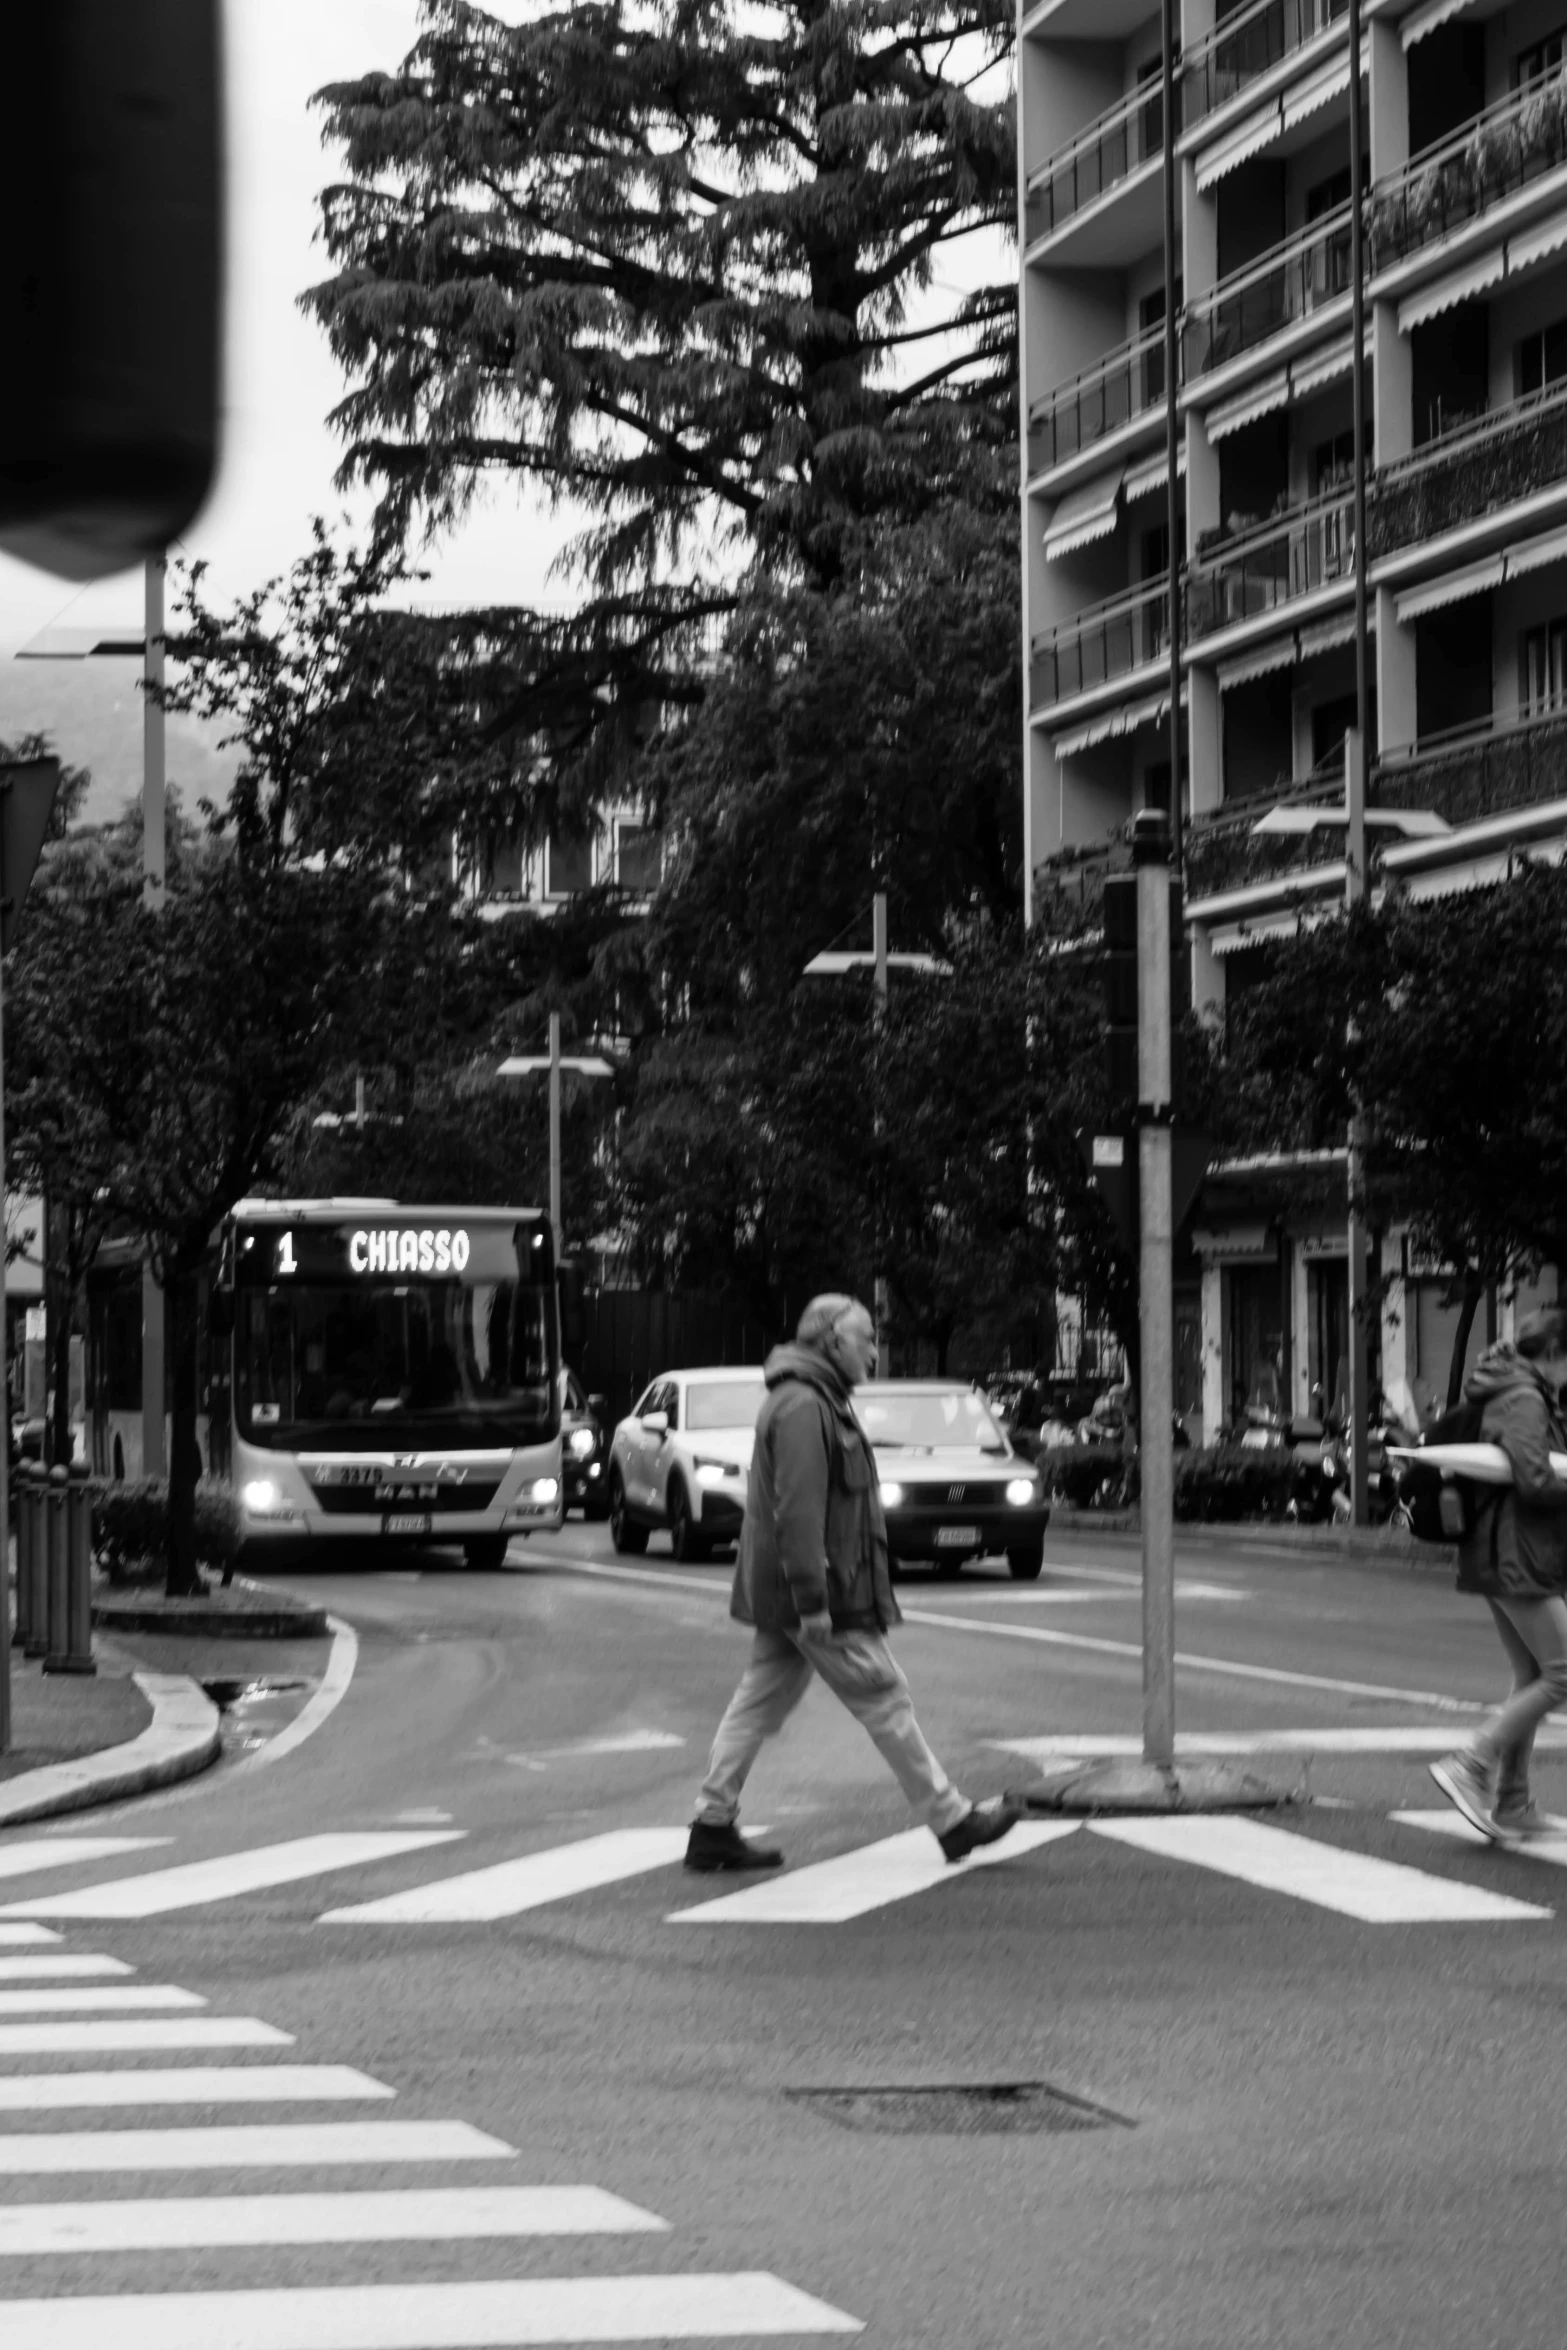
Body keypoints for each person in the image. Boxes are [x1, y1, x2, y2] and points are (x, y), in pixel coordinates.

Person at [684, 1293, 1024, 1873]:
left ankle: (712, 1823)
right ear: (833, 1342)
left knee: (760, 1700)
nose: (874, 1348)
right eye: (865, 1337)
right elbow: (799, 1512)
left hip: (804, 1590)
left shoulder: (810, 1400)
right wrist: (813, 1601)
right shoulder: (804, 1408)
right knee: (883, 1695)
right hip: (820, 1594)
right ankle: (953, 1820)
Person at [1430, 1306, 1567, 1841]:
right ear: (1554, 1354)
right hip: (1518, 1556)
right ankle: (1471, 1764)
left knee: (1536, 1674)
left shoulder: (1509, 1390)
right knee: (1563, 1672)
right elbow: (1534, 1480)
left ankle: (1512, 1800)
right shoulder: (1526, 1398)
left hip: (1504, 1551)